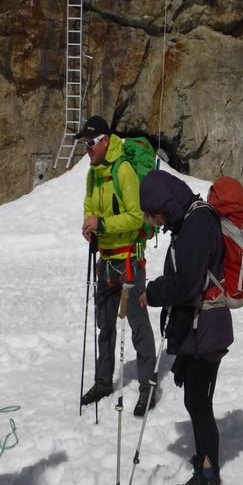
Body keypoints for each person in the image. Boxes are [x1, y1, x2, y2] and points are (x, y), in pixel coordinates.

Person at [138, 170, 233, 485]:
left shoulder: (197, 223)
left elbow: (186, 284)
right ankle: (201, 470)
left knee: (200, 404)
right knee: (195, 402)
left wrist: (154, 292)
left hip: (210, 329)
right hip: (197, 330)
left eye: (155, 214)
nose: (156, 222)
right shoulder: (187, 223)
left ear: (167, 204)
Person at [78, 115, 158, 417]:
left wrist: (102, 224)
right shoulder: (92, 174)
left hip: (128, 259)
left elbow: (136, 216)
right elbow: (89, 206)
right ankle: (102, 381)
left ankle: (148, 384)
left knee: (138, 324)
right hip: (106, 261)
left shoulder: (122, 170)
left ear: (105, 140)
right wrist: (90, 225)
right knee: (104, 325)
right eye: (85, 143)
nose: (87, 148)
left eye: (91, 142)